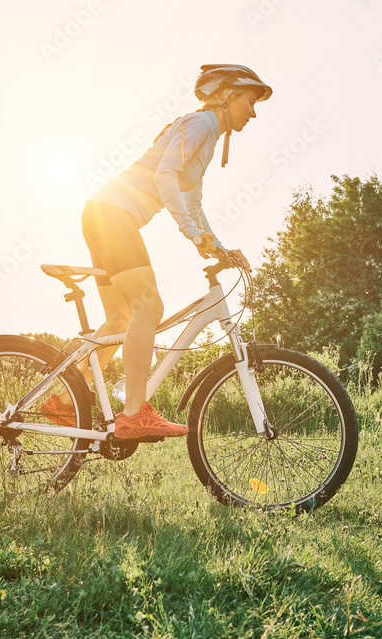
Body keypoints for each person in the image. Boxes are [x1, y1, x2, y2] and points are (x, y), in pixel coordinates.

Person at [42, 64, 272, 438]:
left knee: (119, 319)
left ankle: (65, 402)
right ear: (228, 97)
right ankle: (133, 412)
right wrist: (193, 234)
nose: (254, 111)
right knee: (149, 307)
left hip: (104, 214)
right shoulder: (200, 124)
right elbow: (165, 176)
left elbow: (193, 200)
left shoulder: (209, 135)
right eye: (250, 100)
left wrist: (219, 246)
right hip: (113, 215)